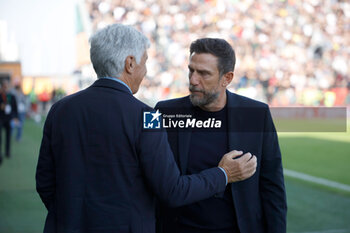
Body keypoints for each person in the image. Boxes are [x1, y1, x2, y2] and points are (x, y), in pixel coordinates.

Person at [35, 24, 257, 233]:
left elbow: (45, 182)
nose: (146, 70)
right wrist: (223, 174)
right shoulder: (147, 117)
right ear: (130, 63)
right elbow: (172, 191)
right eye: (144, 61)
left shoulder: (59, 110)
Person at [155, 38, 287, 233]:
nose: (193, 80)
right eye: (191, 70)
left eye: (204, 74)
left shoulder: (257, 114)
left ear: (227, 78)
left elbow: (272, 187)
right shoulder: (164, 112)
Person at [0, 80, 18, 164]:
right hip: (1, 118)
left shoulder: (12, 96)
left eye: (7, 86)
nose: (6, 88)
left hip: (9, 118)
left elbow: (14, 108)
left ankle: (7, 152)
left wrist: (15, 118)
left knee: (8, 136)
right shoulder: (0, 95)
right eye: (4, 86)